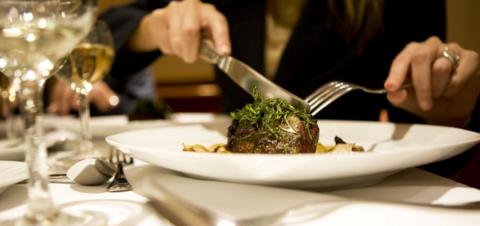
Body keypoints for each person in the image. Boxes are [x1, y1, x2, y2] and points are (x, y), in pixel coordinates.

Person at [102, 0, 479, 131]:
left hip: (355, 198)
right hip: (228, 184)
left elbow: (426, 132)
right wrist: (153, 27)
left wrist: (453, 109)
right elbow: (100, 34)